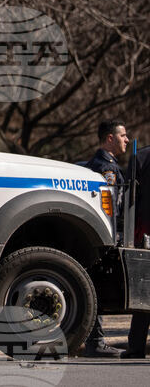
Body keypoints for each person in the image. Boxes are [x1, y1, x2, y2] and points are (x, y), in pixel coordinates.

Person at [82, 119, 129, 357]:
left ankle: (95, 341)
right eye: (123, 136)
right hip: (104, 237)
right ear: (110, 138)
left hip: (99, 237)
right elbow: (108, 207)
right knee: (96, 288)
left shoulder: (102, 164)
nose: (127, 140)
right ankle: (96, 342)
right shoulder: (106, 168)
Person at [123, 145, 150, 358]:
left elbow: (130, 194)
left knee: (144, 290)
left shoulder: (140, 156)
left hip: (145, 230)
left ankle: (136, 346)